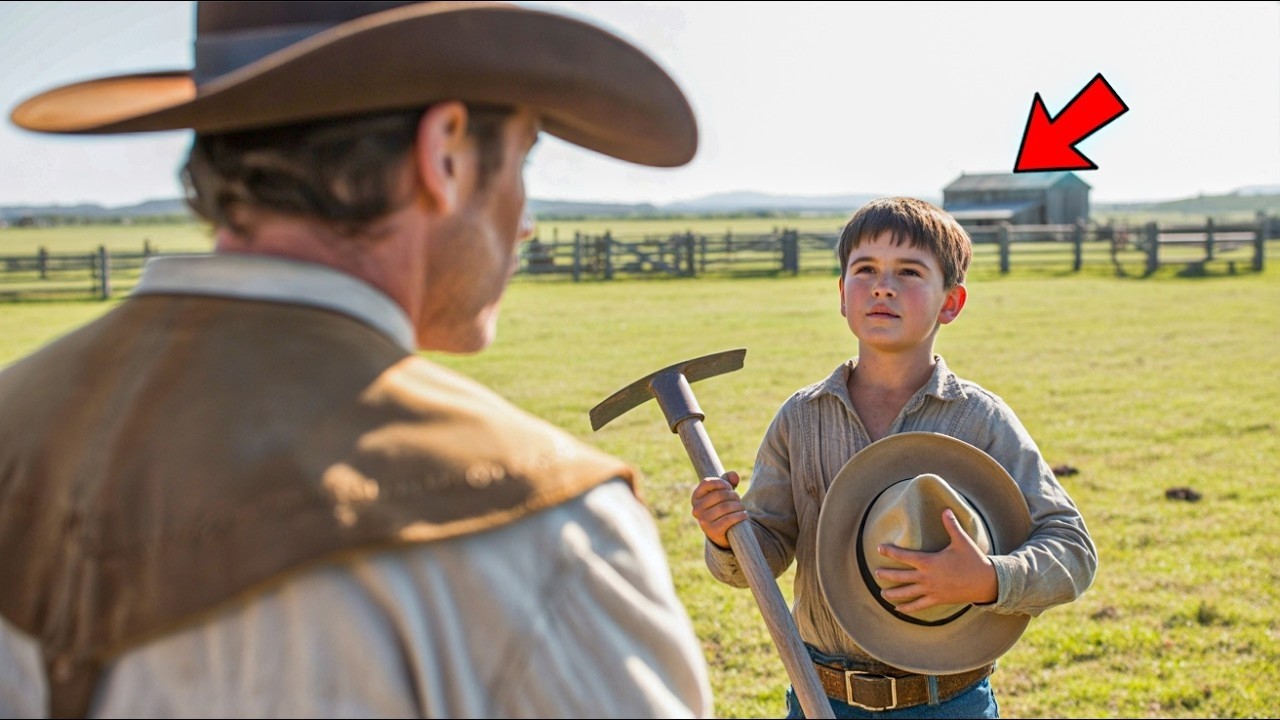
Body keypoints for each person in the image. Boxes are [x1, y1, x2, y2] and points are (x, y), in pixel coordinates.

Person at [0, 2, 713, 717]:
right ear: (445, 154)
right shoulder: (539, 526)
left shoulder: (19, 416)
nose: (525, 219)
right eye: (524, 156)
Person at [690, 197, 1097, 718]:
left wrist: (990, 578)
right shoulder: (801, 417)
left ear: (951, 302)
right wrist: (726, 534)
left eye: (908, 271)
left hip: (947, 701)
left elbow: (1072, 550)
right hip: (821, 698)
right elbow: (758, 561)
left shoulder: (980, 420)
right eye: (865, 270)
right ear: (841, 295)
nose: (883, 286)